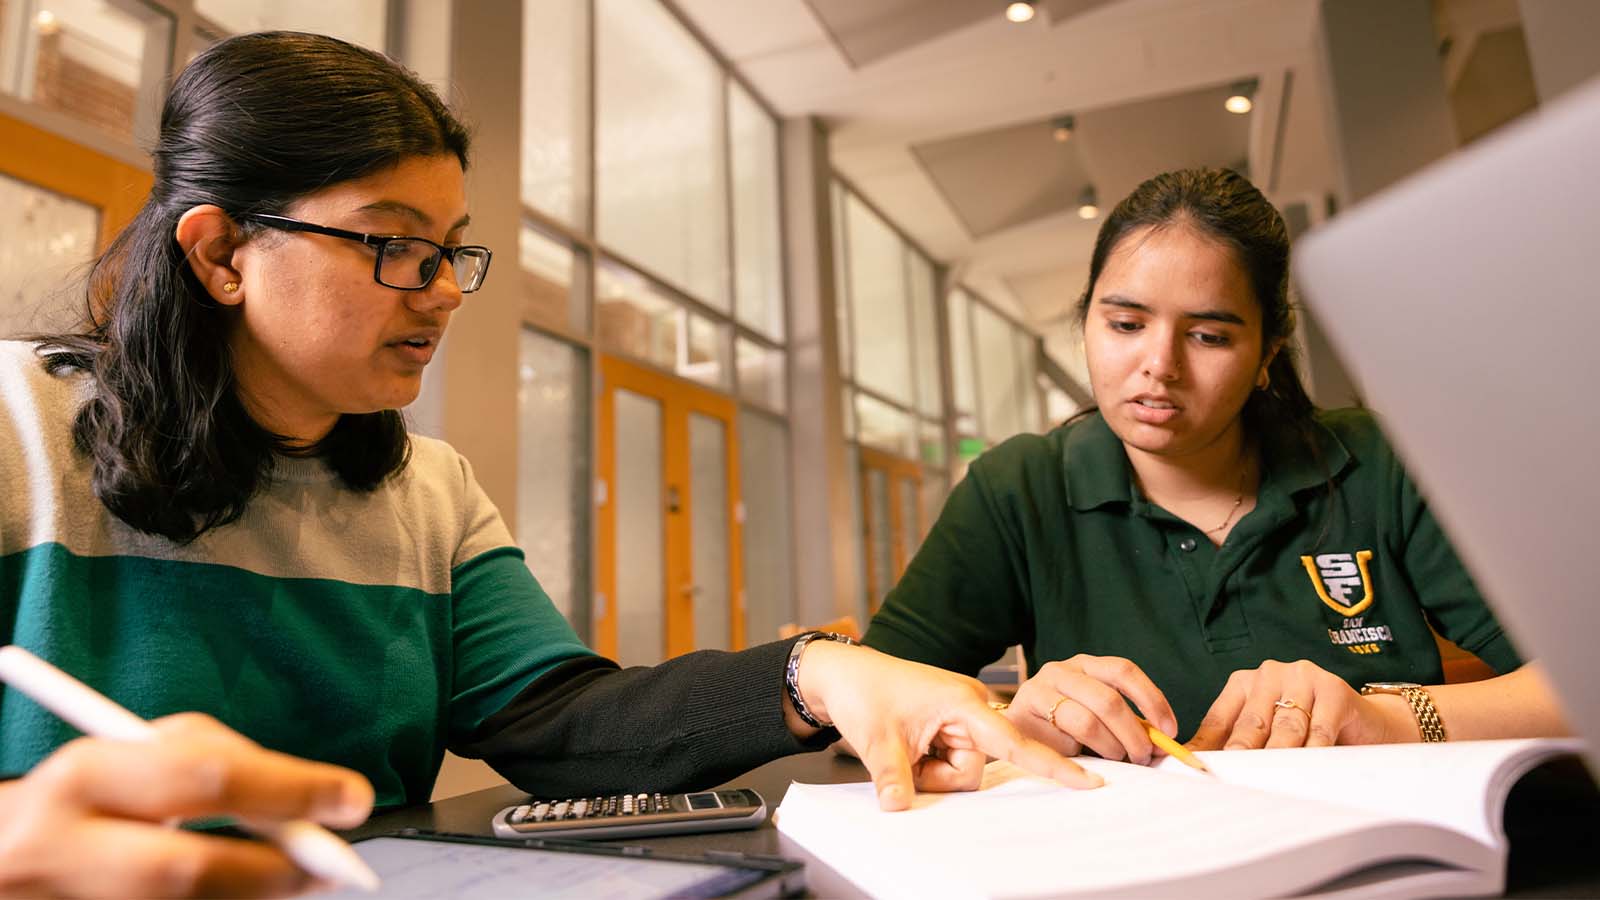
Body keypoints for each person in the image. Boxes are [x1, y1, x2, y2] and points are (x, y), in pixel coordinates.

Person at [0, 31, 1089, 898]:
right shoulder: (16, 431)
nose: (442, 290)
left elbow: (562, 724)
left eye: (448, 247)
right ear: (224, 253)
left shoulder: (426, 493)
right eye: (392, 245)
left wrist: (815, 672)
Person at [863, 168, 1570, 768]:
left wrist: (1387, 719)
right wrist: (1015, 721)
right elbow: (864, 712)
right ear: (1085, 322)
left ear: (1268, 353)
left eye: (1207, 335)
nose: (1159, 367)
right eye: (1126, 324)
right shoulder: (1017, 491)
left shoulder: (1376, 465)